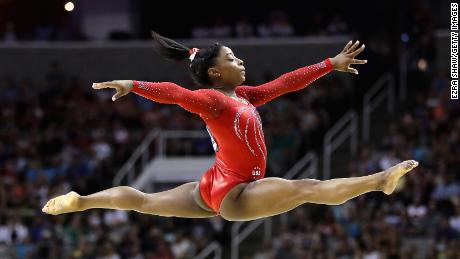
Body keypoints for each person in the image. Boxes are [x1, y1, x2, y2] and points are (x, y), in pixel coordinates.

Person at [42, 32, 419, 221]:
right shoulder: (213, 99)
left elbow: (286, 83)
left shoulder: (244, 96)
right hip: (237, 193)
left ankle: (82, 201)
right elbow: (174, 92)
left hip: (214, 185)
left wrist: (327, 64)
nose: (242, 61)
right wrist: (135, 85)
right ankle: (378, 181)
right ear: (214, 72)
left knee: (144, 201)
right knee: (307, 188)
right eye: (233, 58)